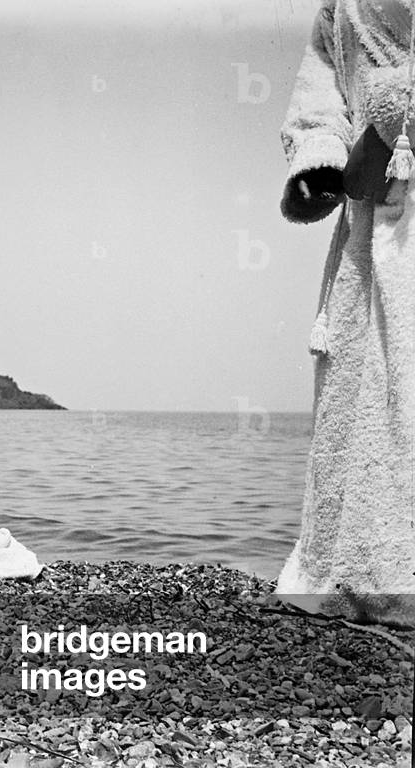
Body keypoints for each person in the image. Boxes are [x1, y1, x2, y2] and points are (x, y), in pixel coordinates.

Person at [277, 0, 415, 624]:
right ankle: (356, 567)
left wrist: (389, 123)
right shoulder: (340, 6)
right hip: (368, 217)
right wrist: (321, 156)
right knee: (357, 386)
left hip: (394, 173)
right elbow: (322, 81)